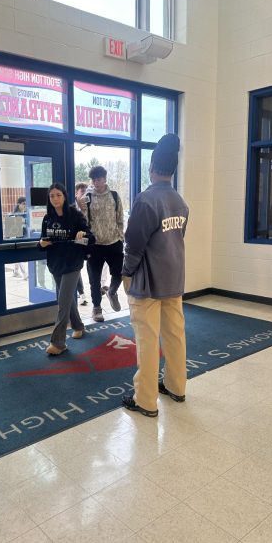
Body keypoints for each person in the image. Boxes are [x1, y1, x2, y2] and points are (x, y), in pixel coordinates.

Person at [121, 133, 189, 418]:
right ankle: (176, 386)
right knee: (175, 335)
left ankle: (146, 401)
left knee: (148, 341)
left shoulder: (146, 200)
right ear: (173, 169)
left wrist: (125, 274)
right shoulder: (180, 202)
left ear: (151, 167)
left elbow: (134, 243)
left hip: (148, 284)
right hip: (174, 280)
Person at [39, 183, 95, 355]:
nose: (55, 199)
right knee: (67, 300)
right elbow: (43, 241)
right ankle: (78, 325)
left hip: (73, 263)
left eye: (58, 195)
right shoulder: (47, 218)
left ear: (64, 196)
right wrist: (41, 244)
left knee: (63, 302)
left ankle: (58, 343)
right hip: (55, 264)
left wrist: (83, 235)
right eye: (52, 196)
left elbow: (91, 238)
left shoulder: (76, 216)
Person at [76, 166, 124, 322]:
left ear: (105, 178)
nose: (97, 182)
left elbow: (120, 218)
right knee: (94, 279)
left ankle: (111, 292)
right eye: (94, 179)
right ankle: (96, 309)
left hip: (114, 243)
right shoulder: (87, 197)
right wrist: (80, 203)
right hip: (95, 246)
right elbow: (82, 219)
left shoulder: (114, 196)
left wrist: (121, 236)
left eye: (100, 179)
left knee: (119, 273)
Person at [74, 182, 89, 305]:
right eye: (82, 191)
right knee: (76, 268)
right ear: (76, 193)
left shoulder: (90, 205)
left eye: (86, 191)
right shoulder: (72, 209)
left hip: (87, 241)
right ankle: (81, 294)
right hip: (76, 243)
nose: (84, 194)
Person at [12, 196, 28, 279]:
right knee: (19, 255)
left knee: (18, 256)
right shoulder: (15, 215)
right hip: (18, 236)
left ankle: (15, 271)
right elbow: (14, 230)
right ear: (18, 204)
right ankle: (25, 274)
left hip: (23, 236)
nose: (25, 205)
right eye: (23, 204)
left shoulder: (25, 213)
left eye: (26, 204)